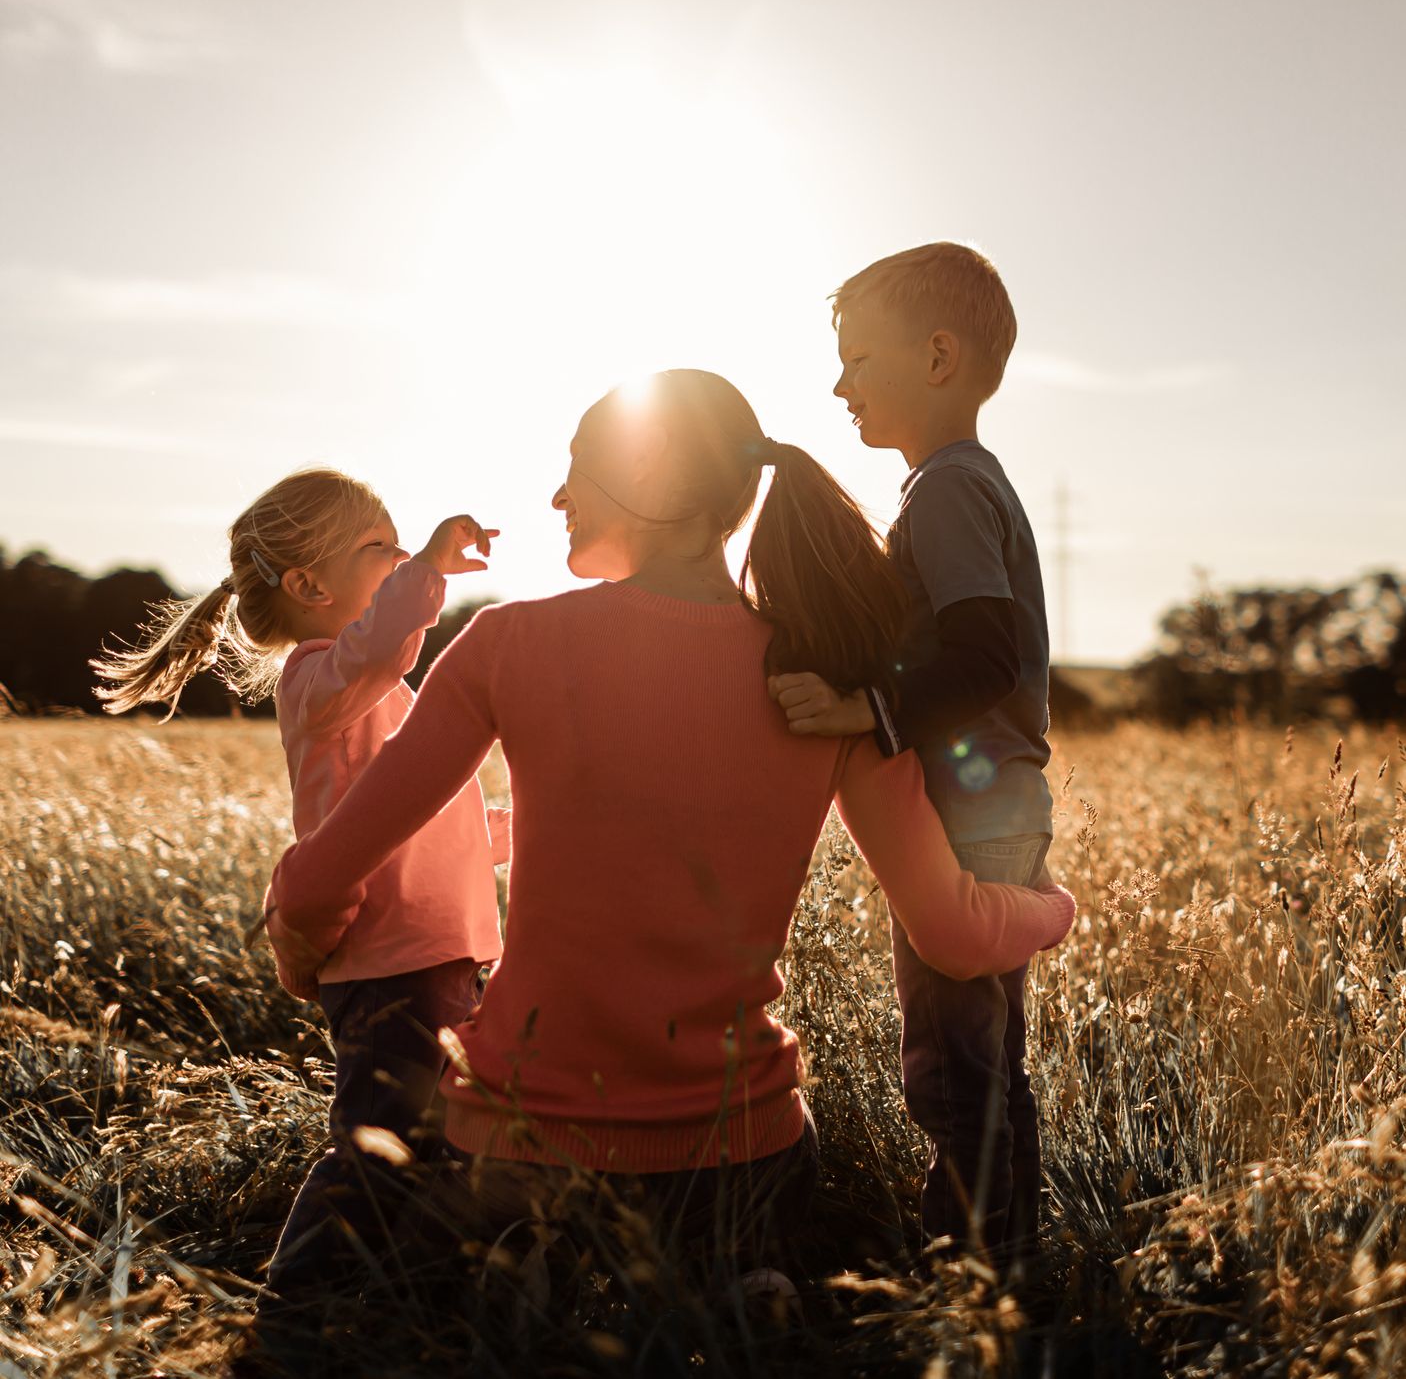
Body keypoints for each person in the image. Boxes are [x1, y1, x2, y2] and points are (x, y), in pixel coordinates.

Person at [259, 370, 1075, 1290]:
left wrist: (300, 949)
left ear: (645, 478)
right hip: (743, 1162)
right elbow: (958, 936)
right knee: (711, 1294)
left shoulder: (502, 645)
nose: (558, 497)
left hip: (515, 1161)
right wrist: (1052, 908)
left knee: (476, 1297)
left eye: (577, 470)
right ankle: (731, 1297)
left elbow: (317, 879)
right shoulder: (829, 689)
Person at [92, 467, 508, 1308]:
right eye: (378, 548)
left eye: (398, 546)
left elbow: (441, 823)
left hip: (439, 957)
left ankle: (414, 1299)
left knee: (442, 1143)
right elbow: (382, 645)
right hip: (389, 967)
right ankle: (297, 1306)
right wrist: (427, 566)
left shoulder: (377, 692)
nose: (396, 559)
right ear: (308, 585)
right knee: (376, 1148)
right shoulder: (320, 683)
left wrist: (538, 825)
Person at [768, 243, 1055, 1266]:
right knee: (984, 1056)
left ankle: (974, 1270)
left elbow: (985, 653)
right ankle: (1001, 1253)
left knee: (953, 1064)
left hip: (973, 814)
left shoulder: (942, 491)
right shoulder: (964, 483)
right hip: (1000, 805)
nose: (837, 383)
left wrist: (861, 708)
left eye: (856, 359)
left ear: (936, 357)